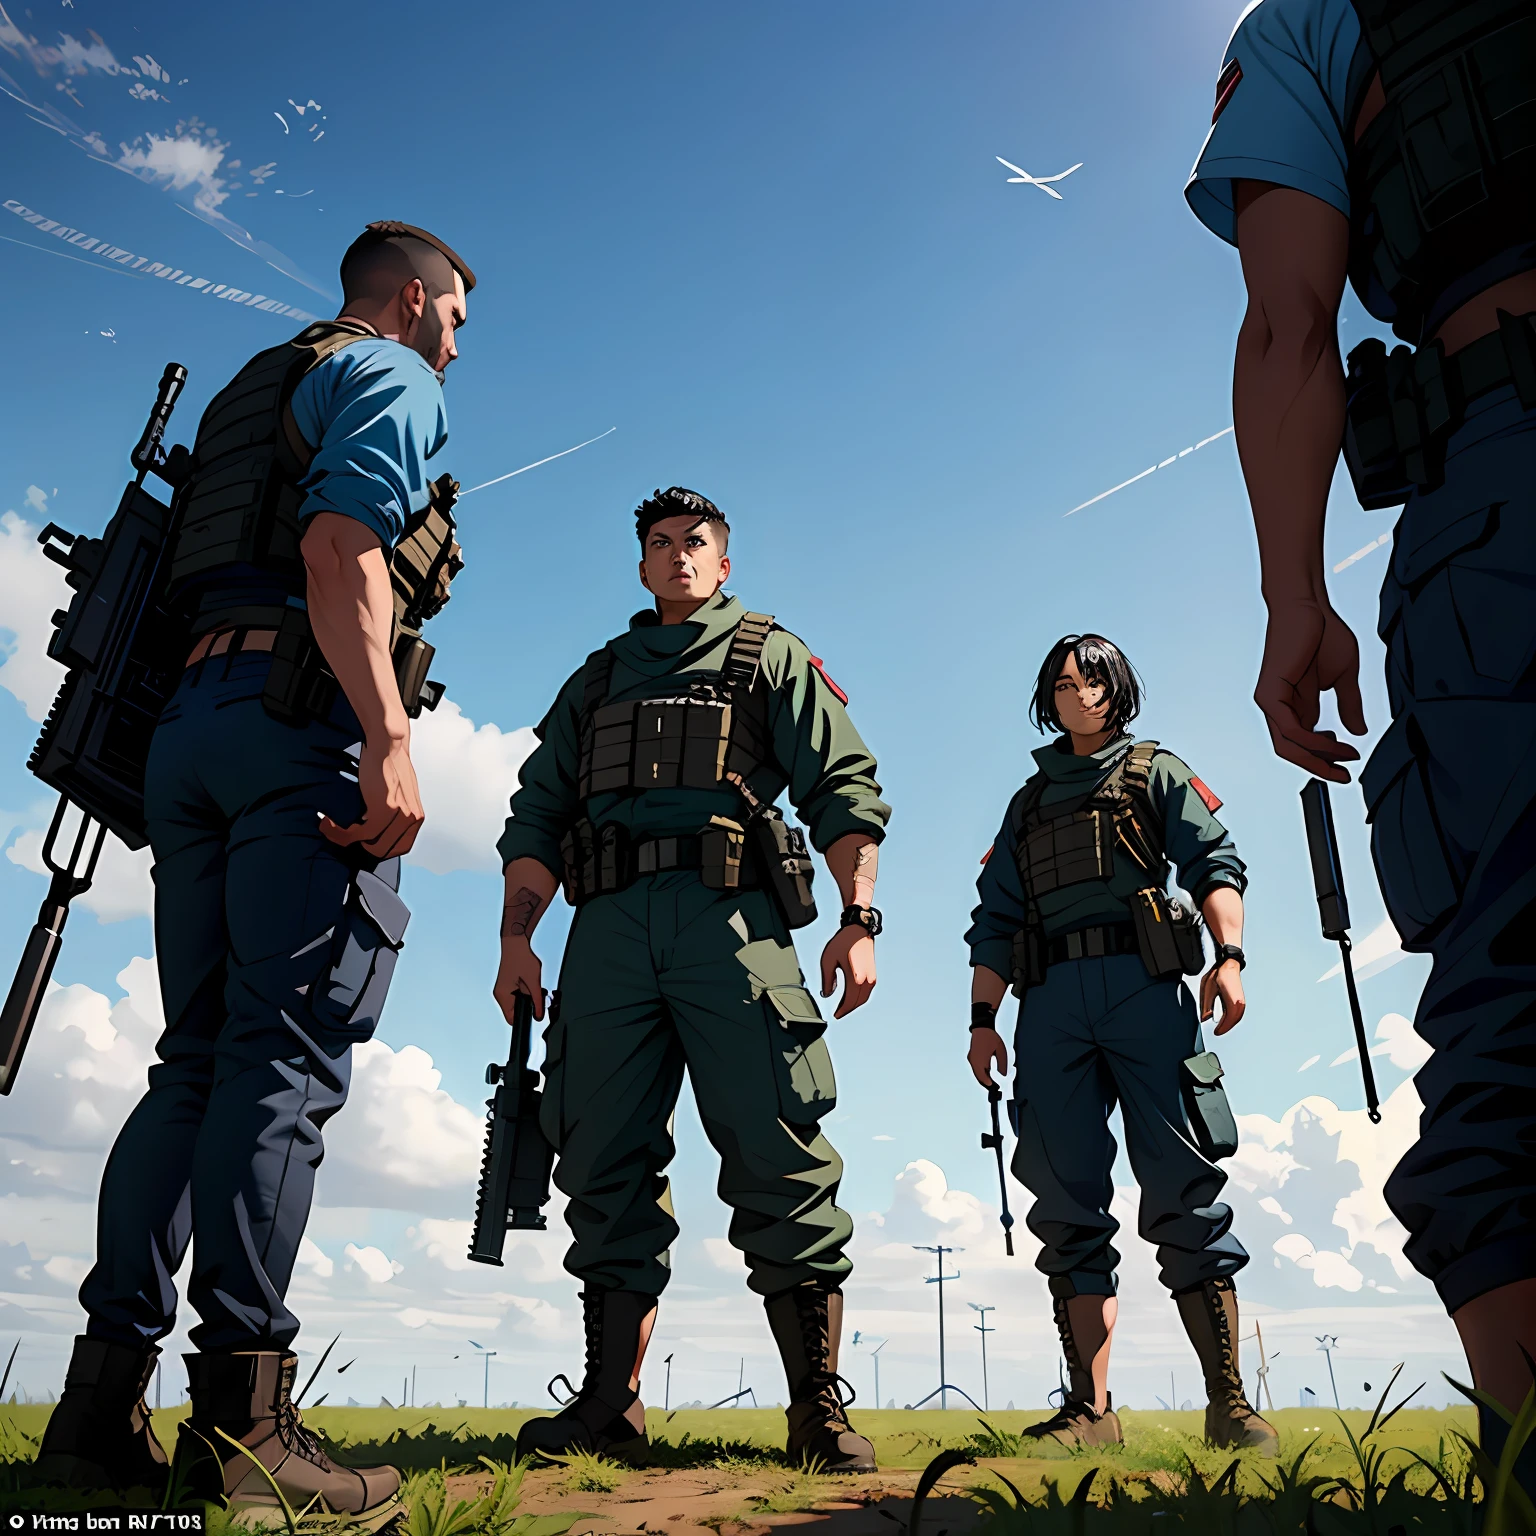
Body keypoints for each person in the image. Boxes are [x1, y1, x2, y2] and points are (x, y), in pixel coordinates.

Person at [34, 221, 475, 1521]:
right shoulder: (393, 376)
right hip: (297, 725)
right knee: (282, 1061)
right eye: (455, 314)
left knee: (194, 1060)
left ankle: (94, 1415)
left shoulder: (251, 385)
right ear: (412, 299)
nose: (457, 340)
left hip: (189, 732)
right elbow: (343, 548)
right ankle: (244, 1431)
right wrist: (387, 736)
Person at [1185, 0, 1536, 1481]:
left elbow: (1288, 321)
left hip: (1503, 480)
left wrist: (1293, 599)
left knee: (1519, 977)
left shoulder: (1324, 20)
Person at [494, 487, 889, 1472]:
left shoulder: (767, 656)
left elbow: (843, 786)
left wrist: (858, 918)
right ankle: (608, 1406)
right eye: (660, 545)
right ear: (640, 566)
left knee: (779, 1146)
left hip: (734, 921)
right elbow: (536, 817)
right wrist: (517, 942)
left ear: (723, 563)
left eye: (695, 544)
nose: (677, 557)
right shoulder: (596, 681)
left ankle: (816, 1410)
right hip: (609, 930)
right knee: (599, 1155)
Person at [966, 634, 1276, 1455]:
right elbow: (995, 919)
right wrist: (982, 1020)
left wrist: (1230, 957)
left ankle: (1229, 1405)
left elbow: (1215, 861)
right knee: (1065, 1201)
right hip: (1053, 1006)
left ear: (1116, 688)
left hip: (1146, 987)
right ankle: (1089, 1411)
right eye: (1060, 682)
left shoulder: (1153, 772)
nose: (1075, 692)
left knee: (1183, 1186)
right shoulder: (1027, 804)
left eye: (1088, 679)